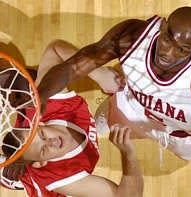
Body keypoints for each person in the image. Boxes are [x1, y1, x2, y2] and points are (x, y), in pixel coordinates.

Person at [36, 6, 191, 161]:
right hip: (136, 107)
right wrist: (43, 94)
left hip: (181, 133)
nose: (168, 53)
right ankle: (100, 124)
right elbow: (74, 66)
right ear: (163, 25)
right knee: (102, 120)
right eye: (167, 39)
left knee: (183, 154)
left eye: (182, 50)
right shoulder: (131, 36)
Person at [0, 40, 143, 197]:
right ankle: (16, 178)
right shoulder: (64, 177)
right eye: (43, 150)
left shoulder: (51, 104)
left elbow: (54, 49)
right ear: (41, 163)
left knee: (21, 80)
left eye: (42, 135)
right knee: (13, 174)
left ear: (38, 123)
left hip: (33, 138)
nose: (52, 142)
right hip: (40, 183)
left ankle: (104, 119)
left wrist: (99, 74)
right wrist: (128, 154)